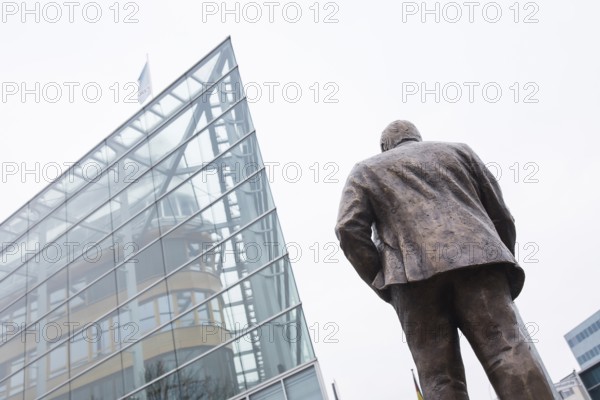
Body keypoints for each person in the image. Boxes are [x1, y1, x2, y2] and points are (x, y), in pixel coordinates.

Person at [335, 120, 555, 400]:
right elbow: (501, 214)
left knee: (439, 378)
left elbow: (347, 229)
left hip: (410, 278)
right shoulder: (459, 152)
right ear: (416, 137)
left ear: (384, 147)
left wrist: (381, 279)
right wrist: (500, 258)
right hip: (480, 262)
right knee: (507, 349)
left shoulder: (365, 170)